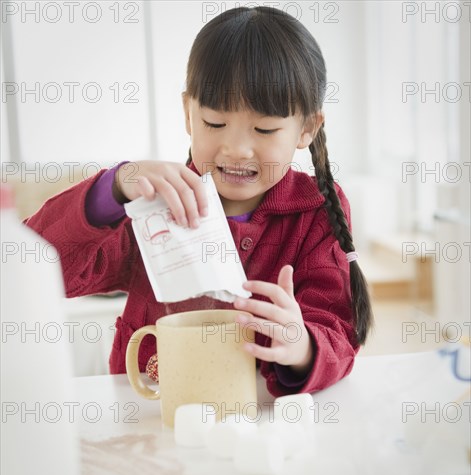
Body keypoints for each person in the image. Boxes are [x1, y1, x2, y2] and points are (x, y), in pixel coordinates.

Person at [25, 6, 373, 397]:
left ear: (306, 128)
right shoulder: (152, 201)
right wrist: (112, 190)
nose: (237, 148)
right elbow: (31, 265)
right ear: (188, 114)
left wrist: (303, 347)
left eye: (264, 128)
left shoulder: (316, 209)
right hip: (151, 412)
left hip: (262, 421)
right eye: (215, 123)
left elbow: (338, 331)